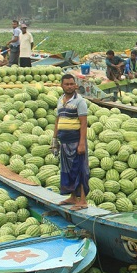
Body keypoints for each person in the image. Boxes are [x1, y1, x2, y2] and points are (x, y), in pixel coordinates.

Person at [54, 73, 90, 211]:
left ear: (75, 85)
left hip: (76, 140)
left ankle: (82, 201)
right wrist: (54, 139)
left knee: (80, 170)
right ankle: (73, 197)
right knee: (67, 170)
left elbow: (83, 122)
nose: (69, 87)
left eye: (71, 84)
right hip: (64, 140)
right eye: (66, 84)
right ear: (61, 85)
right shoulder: (60, 100)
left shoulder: (80, 101)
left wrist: (82, 143)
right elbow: (58, 120)